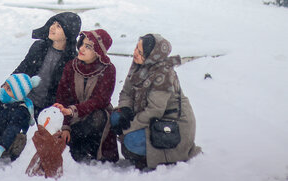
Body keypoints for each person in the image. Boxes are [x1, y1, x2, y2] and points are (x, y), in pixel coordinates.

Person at [110, 34, 201, 170]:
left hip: (170, 124)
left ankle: (157, 157)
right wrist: (125, 109)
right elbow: (126, 92)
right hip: (148, 118)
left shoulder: (164, 74)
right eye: (136, 48)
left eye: (140, 52)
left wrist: (128, 128)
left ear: (152, 56)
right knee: (116, 117)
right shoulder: (140, 65)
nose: (135, 53)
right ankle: (138, 153)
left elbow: (154, 111)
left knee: (131, 140)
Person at [53, 29, 119, 163]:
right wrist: (65, 126)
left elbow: (100, 100)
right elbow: (62, 97)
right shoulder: (71, 66)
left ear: (98, 51)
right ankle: (74, 144)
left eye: (88, 46)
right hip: (71, 116)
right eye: (82, 44)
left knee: (97, 117)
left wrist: (73, 111)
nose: (81, 48)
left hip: (96, 117)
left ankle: (83, 144)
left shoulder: (108, 69)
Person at [13, 12, 81, 119]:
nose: (52, 28)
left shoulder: (73, 60)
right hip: (26, 101)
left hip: (50, 109)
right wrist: (5, 87)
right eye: (53, 23)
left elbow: (68, 93)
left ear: (69, 33)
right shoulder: (39, 47)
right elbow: (22, 69)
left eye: (58, 26)